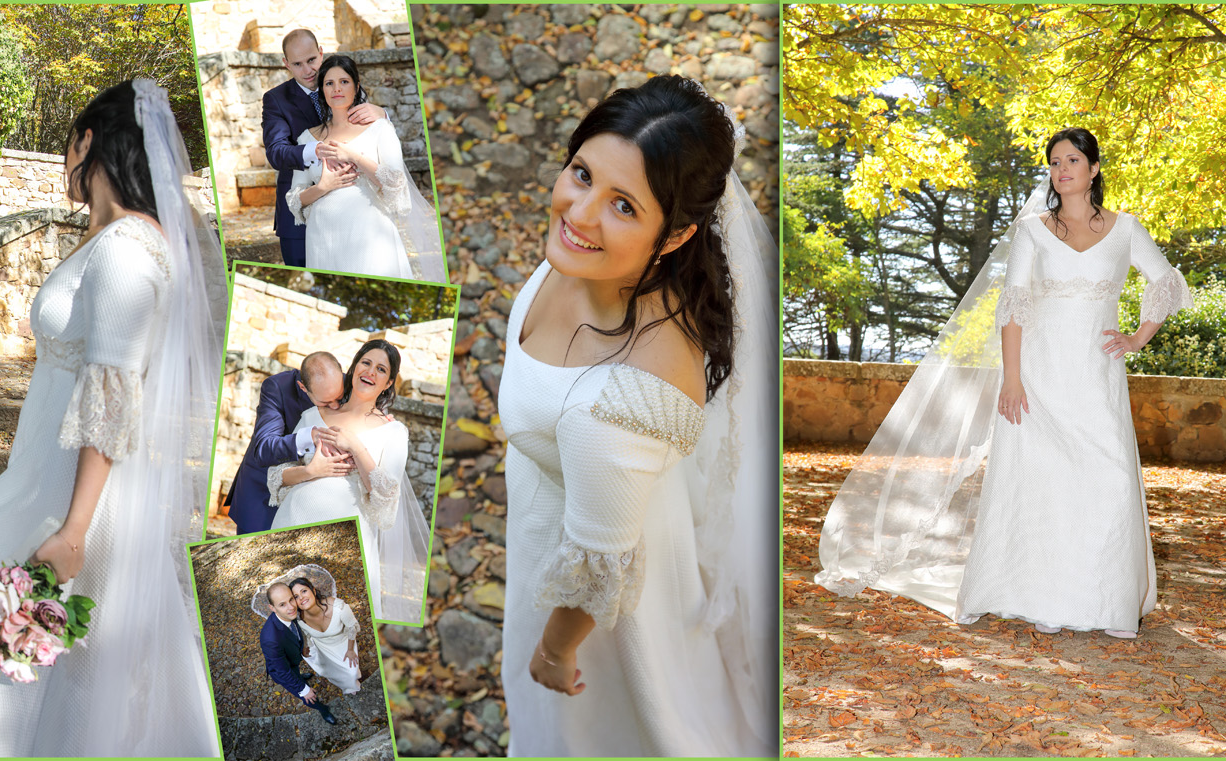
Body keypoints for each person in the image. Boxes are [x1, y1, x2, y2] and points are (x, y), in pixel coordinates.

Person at [0, 80, 225, 756]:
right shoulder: (112, 239)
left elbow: (113, 395)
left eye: (68, 144)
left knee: (19, 639)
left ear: (90, 142)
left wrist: (74, 529)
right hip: (48, 467)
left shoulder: (128, 252)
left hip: (72, 488)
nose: (63, 161)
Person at [816, 128, 1194, 638]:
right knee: (1041, 481)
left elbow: (1166, 281)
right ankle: (1039, 594)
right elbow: (1013, 308)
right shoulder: (1034, 231)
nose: (1063, 169)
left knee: (1111, 479)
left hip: (1096, 375)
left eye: (1074, 160)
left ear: (1093, 169)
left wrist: (1137, 338)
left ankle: (1106, 602)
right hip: (1038, 375)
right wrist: (1012, 380)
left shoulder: (1126, 228)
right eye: (1055, 161)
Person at [496, 75, 778, 757]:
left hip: (603, 623)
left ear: (677, 232)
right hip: (555, 537)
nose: (580, 214)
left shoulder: (627, 395)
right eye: (581, 173)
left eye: (622, 204)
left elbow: (598, 563)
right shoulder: (582, 259)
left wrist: (555, 652)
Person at [266, 340, 431, 624]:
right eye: (366, 363)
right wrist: (312, 470)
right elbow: (276, 478)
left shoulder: (393, 432)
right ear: (354, 368)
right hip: (292, 520)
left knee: (342, 613)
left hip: (346, 536)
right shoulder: (311, 416)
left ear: (388, 383)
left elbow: (386, 496)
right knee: (293, 606)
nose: (371, 371)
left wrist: (356, 446)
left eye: (381, 369)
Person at [284, 54, 441, 280]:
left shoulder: (380, 129)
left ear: (356, 87)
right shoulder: (306, 139)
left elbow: (396, 183)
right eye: (329, 83)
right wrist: (323, 186)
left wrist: (354, 156)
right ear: (321, 90)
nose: (337, 88)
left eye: (344, 81)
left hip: (370, 236)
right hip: (323, 239)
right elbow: (294, 199)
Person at [262, 29, 385, 268]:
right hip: (298, 215)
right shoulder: (276, 99)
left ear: (321, 53)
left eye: (311, 60)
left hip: (353, 213)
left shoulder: (345, 86)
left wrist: (382, 114)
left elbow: (373, 135)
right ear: (286, 64)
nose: (307, 70)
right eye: (297, 64)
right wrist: (315, 149)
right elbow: (276, 152)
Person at [223, 351, 346, 534]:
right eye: (326, 402)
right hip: (264, 495)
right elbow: (264, 447)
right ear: (303, 387)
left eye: (339, 398)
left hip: (317, 500)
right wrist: (309, 436)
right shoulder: (277, 387)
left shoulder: (349, 383)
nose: (336, 406)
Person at [256, 579, 338, 725]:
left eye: (291, 599)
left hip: (292, 658)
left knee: (297, 673)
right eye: (282, 604)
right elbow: (281, 671)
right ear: (272, 608)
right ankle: (323, 710)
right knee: (308, 696)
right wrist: (303, 689)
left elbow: (294, 632)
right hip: (284, 670)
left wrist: (302, 647)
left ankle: (300, 675)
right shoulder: (270, 639)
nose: (291, 607)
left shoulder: (288, 614)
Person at [289, 574, 361, 694]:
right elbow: (306, 633)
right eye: (296, 596)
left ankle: (352, 684)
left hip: (343, 643)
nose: (301, 598)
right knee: (330, 671)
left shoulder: (338, 607)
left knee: (351, 671)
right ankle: (345, 685)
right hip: (323, 648)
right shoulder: (300, 619)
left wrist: (350, 650)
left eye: (304, 591)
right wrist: (306, 646)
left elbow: (351, 627)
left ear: (313, 590)